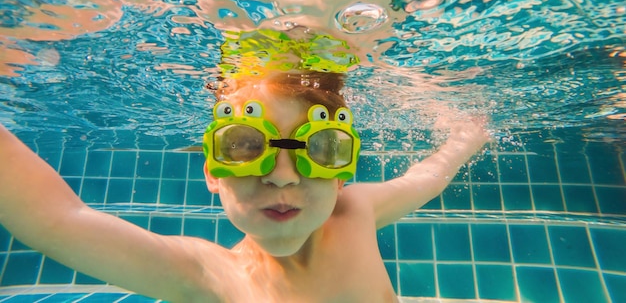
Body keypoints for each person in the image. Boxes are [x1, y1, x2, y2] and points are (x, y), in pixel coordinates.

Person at [0, 68, 489, 302]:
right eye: (244, 146)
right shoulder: (210, 276)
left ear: (342, 176)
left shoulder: (353, 210)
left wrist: (465, 138)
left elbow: (426, 176)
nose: (281, 175)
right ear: (212, 172)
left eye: (320, 150)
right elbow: (55, 221)